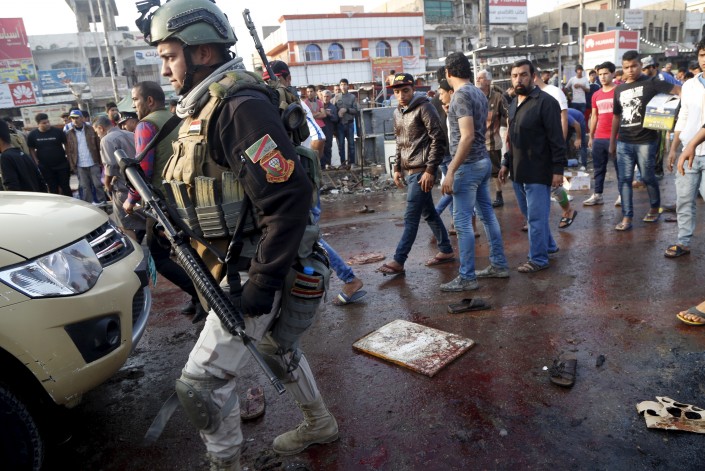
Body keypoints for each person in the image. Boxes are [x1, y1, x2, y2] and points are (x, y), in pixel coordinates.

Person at [137, 0, 338, 468]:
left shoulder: (238, 108)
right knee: (276, 349)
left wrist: (262, 283)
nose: (165, 70)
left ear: (202, 52)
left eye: (170, 56)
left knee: (202, 381)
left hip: (256, 267)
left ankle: (225, 464)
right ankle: (319, 423)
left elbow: (288, 197)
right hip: (232, 266)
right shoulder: (203, 108)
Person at [125, 80, 206, 322]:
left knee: (159, 257)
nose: (134, 105)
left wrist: (130, 199)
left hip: (160, 202)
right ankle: (198, 298)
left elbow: (143, 170)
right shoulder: (177, 119)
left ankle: (200, 295)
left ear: (149, 101)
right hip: (185, 196)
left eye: (136, 100)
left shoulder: (145, 125)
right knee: (189, 253)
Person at [441, 53, 508, 290]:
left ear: (448, 72)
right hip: (482, 161)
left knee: (462, 223)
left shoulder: (460, 95)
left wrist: (451, 169)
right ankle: (499, 264)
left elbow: (467, 136)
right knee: (487, 215)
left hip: (467, 165)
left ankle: (467, 277)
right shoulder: (479, 93)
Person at [376, 73, 454, 276]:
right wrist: (396, 168)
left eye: (405, 90)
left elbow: (438, 139)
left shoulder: (424, 107)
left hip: (421, 172)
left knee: (411, 217)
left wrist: (430, 170)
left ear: (413, 89)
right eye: (397, 92)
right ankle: (446, 249)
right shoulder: (398, 112)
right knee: (429, 213)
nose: (401, 95)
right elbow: (399, 143)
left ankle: (399, 259)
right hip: (409, 170)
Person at [499, 59, 566, 273]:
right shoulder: (513, 104)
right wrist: (505, 163)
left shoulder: (546, 102)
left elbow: (557, 139)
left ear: (533, 76)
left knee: (536, 218)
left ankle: (538, 259)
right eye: (514, 76)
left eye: (523, 75)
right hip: (518, 171)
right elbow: (511, 139)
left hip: (538, 171)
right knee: (531, 216)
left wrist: (558, 170)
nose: (518, 79)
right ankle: (549, 246)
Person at [609, 50, 681, 231]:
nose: (630, 70)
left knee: (648, 177)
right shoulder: (619, 89)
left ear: (641, 65)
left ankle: (655, 207)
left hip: (646, 141)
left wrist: (672, 112)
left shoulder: (652, 82)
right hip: (624, 141)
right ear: (622, 68)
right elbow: (616, 116)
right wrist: (612, 142)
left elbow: (678, 91)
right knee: (624, 180)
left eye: (634, 66)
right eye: (626, 67)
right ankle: (627, 217)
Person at [663, 39, 705, 259]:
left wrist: (690, 146)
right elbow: (684, 116)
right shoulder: (689, 85)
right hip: (688, 154)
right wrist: (673, 148)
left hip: (695, 149)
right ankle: (684, 241)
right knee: (685, 200)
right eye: (702, 55)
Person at [533, 71, 578, 229]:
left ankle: (568, 210)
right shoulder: (528, 95)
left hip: (551, 146)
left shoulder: (554, 92)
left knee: (554, 183)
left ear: (533, 76)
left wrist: (560, 144)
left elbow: (563, 118)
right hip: (535, 147)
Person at [585, 61, 618, 207]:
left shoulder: (619, 91)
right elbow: (594, 117)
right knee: (598, 168)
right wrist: (591, 136)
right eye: (600, 74)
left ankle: (622, 195)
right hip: (599, 137)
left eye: (606, 73)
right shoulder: (596, 95)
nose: (602, 77)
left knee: (620, 168)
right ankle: (598, 195)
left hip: (617, 137)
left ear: (613, 74)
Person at [475, 69, 508, 208]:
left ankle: (499, 195)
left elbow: (508, 115)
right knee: (478, 173)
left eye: (480, 77)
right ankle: (481, 199)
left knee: (495, 171)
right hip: (476, 143)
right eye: (477, 77)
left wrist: (509, 132)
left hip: (492, 143)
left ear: (488, 81)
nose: (477, 79)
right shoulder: (474, 96)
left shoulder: (498, 97)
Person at [65, 109, 106, 204]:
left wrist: (101, 160)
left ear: (82, 118)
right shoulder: (69, 133)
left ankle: (103, 203)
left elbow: (99, 145)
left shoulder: (91, 129)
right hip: (80, 164)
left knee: (98, 184)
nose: (75, 120)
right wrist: (72, 164)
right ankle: (89, 204)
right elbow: (70, 151)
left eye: (77, 118)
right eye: (72, 118)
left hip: (93, 161)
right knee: (85, 186)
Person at [26, 112, 71, 196]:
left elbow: (66, 144)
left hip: (62, 165)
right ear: (38, 124)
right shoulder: (32, 135)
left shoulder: (57, 131)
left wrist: (68, 157)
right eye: (44, 123)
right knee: (52, 188)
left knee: (65, 187)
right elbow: (31, 148)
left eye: (48, 122)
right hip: (45, 167)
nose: (47, 124)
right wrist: (36, 161)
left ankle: (70, 203)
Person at [0, 119, 47, 192]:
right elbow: (41, 182)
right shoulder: (22, 154)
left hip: (23, 199)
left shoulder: (5, 157)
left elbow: (12, 189)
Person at [335, 78, 358, 168]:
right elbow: (333, 109)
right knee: (341, 145)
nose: (343, 86)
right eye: (341, 85)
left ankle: (352, 163)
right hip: (340, 125)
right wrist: (337, 112)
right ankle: (343, 163)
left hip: (349, 124)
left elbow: (356, 110)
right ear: (339, 86)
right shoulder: (336, 97)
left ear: (348, 86)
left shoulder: (352, 97)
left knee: (351, 145)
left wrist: (346, 110)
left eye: (345, 84)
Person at [320, 90, 338, 168]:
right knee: (320, 147)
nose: (326, 98)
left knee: (328, 147)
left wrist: (330, 115)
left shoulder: (333, 107)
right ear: (322, 97)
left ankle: (328, 164)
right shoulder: (319, 106)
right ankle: (321, 165)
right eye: (324, 96)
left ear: (330, 97)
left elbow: (336, 119)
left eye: (327, 96)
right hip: (320, 130)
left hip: (329, 130)